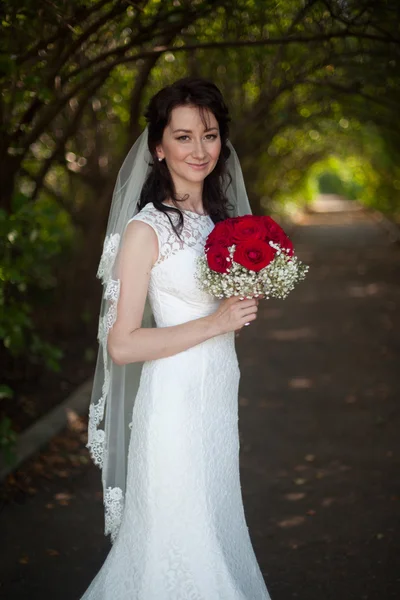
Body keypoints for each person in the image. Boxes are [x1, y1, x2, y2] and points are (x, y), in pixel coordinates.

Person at [80, 77, 271, 599]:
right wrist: (216, 322)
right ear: (158, 148)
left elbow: (220, 310)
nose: (199, 149)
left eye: (208, 135)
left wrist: (245, 299)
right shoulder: (146, 231)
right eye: (183, 137)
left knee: (214, 521)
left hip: (215, 398)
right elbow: (122, 344)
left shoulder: (219, 223)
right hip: (172, 407)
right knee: (179, 540)